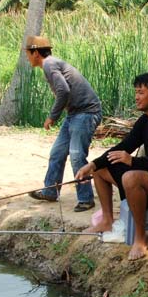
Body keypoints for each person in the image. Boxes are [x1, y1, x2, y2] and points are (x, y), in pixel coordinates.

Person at [75, 72, 148, 261]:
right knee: (102, 168)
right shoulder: (145, 121)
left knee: (131, 177)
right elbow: (124, 147)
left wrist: (134, 162)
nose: (136, 97)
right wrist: (93, 164)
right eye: (136, 92)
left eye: (141, 92)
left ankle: (140, 237)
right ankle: (106, 220)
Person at [25, 36, 102, 212]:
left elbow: (63, 90)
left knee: (76, 156)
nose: (27, 57)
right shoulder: (51, 64)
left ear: (36, 53)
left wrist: (52, 116)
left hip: (85, 113)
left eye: (28, 53)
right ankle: (51, 191)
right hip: (75, 113)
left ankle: (85, 199)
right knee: (57, 153)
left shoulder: (49, 65)